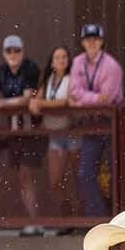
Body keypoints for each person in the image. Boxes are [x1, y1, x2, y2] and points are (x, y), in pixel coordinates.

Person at [0, 35, 44, 237]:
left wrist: (0, 103)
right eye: (9, 51)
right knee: (21, 176)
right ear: (4, 53)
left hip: (31, 130)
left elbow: (27, 98)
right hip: (13, 131)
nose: (13, 54)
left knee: (28, 174)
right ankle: (32, 221)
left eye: (16, 50)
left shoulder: (30, 68)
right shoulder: (2, 71)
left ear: (22, 51)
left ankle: (37, 222)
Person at [70, 24, 125, 218]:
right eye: (88, 39)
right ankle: (98, 217)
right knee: (85, 173)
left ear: (101, 42)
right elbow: (73, 91)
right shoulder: (77, 62)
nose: (91, 43)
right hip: (90, 123)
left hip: (111, 123)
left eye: (95, 39)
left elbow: (107, 98)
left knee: (115, 172)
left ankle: (117, 217)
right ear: (82, 42)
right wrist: (93, 99)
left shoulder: (112, 65)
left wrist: (82, 101)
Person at [31, 45, 80, 234]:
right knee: (55, 180)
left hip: (71, 132)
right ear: (52, 62)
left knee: (79, 179)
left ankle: (84, 220)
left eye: (64, 57)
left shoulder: (72, 79)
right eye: (57, 57)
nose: (61, 60)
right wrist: (36, 103)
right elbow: (36, 101)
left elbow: (66, 101)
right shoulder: (47, 80)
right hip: (54, 134)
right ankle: (68, 218)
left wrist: (41, 104)